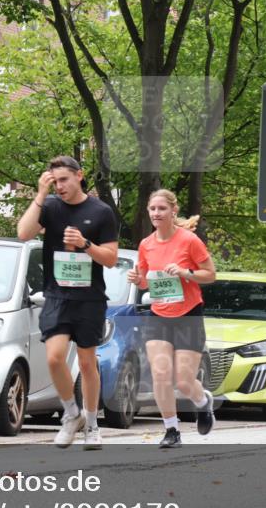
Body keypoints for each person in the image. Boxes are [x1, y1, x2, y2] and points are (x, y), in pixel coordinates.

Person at [17, 156, 118, 449]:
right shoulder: (49, 207)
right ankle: (72, 414)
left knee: (87, 363)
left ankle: (92, 424)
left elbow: (111, 259)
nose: (59, 186)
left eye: (64, 180)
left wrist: (86, 244)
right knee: (54, 357)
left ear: (79, 176)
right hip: (56, 295)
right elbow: (23, 233)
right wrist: (40, 194)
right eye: (54, 181)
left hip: (89, 299)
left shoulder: (101, 212)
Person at [127, 189, 217, 448]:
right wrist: (138, 280)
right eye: (153, 209)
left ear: (173, 211)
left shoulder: (189, 241)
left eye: (162, 208)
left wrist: (185, 272)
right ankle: (171, 430)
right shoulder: (146, 244)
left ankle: (203, 402)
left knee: (184, 381)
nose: (156, 213)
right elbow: (147, 281)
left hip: (188, 314)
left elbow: (210, 274)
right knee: (160, 374)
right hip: (159, 315)